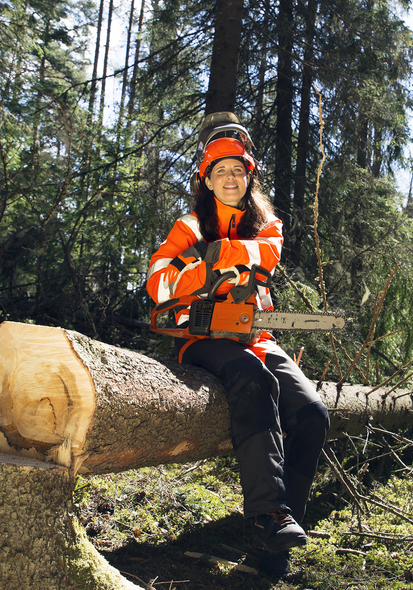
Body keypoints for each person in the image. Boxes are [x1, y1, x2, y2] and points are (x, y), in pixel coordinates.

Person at [145, 112, 330, 571]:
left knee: (312, 412)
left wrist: (210, 258)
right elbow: (158, 282)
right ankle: (268, 514)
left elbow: (264, 256)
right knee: (253, 379)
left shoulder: (268, 224)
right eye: (221, 171)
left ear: (249, 177)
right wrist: (202, 270)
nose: (230, 178)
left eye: (238, 170)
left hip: (254, 333)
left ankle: (279, 538)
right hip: (201, 335)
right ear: (206, 180)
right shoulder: (189, 226)